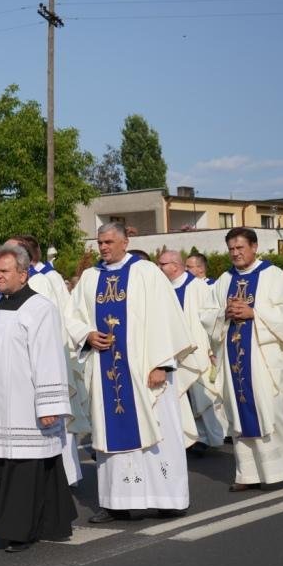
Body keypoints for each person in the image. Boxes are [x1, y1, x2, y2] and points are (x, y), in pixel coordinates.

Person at [64, 222, 195, 523]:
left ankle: (167, 499)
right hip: (106, 370)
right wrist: (87, 335)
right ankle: (116, 503)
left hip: (146, 370)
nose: (103, 247)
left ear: (125, 242)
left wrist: (162, 364)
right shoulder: (90, 277)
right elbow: (71, 317)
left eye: (109, 242)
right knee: (110, 435)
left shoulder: (146, 273)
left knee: (158, 433)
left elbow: (166, 319)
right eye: (100, 242)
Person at [0, 244, 76, 552]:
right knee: (4, 464)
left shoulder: (40, 308)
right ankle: (49, 522)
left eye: (4, 271)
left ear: (23, 274)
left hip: (24, 403)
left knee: (25, 465)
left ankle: (18, 531)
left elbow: (49, 358)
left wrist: (49, 405)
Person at [203, 228, 283, 490]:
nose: (235, 253)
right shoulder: (225, 279)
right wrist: (223, 313)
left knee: (277, 411)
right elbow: (206, 314)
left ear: (254, 247)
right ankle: (248, 473)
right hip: (235, 360)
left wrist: (254, 313)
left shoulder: (273, 275)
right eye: (231, 249)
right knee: (239, 413)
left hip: (267, 358)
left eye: (240, 247)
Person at [6, 234, 88, 487]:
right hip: (18, 364)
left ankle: (61, 476)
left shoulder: (43, 280)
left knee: (50, 418)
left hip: (40, 361)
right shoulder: (13, 281)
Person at [157, 250, 227, 450]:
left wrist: (211, 350)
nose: (159, 268)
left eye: (162, 264)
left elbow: (211, 320)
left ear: (175, 266)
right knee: (180, 396)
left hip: (198, 350)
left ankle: (213, 436)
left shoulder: (198, 288)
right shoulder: (162, 288)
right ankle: (192, 437)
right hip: (173, 351)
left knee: (204, 395)